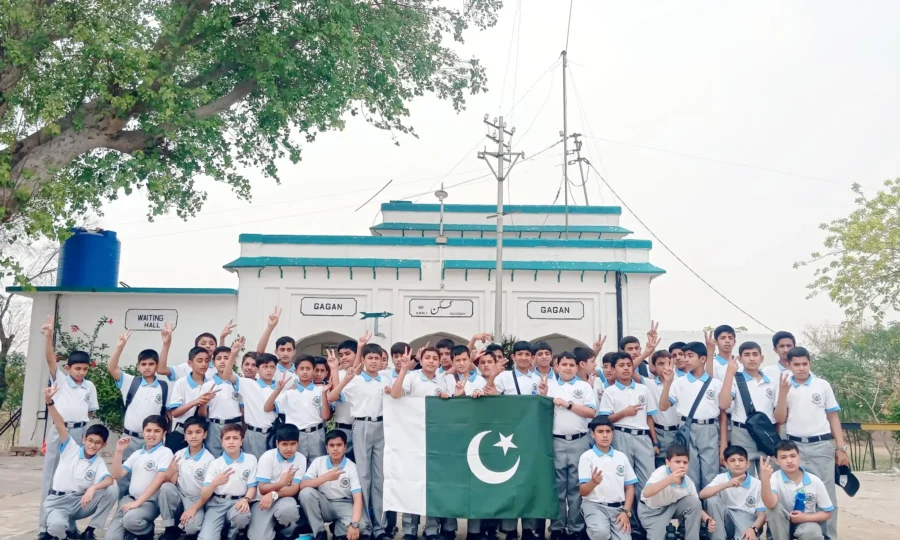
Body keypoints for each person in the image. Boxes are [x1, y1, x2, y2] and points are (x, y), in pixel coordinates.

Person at [773, 347, 846, 540]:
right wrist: (782, 393)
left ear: (810, 363)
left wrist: (840, 447)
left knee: (827, 494)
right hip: (794, 447)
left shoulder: (822, 385)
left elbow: (833, 417)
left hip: (821, 445)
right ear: (788, 365)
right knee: (793, 493)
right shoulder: (783, 385)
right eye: (796, 364)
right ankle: (798, 533)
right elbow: (779, 418)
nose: (801, 368)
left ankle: (828, 536)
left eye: (805, 364)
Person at [37, 316, 100, 534]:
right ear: (68, 367)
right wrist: (48, 337)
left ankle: (70, 524)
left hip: (80, 432)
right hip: (60, 431)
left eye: (85, 369)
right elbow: (49, 359)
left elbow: (90, 410)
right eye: (77, 369)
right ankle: (45, 527)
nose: (81, 373)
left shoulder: (89, 387)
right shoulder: (60, 381)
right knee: (52, 477)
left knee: (74, 479)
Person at [328, 332, 391, 540]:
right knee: (363, 477)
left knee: (379, 478)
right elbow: (333, 396)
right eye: (369, 357)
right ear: (362, 360)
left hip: (381, 427)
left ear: (382, 361)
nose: (373, 361)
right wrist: (341, 375)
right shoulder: (354, 380)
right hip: (361, 427)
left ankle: (380, 526)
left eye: (377, 358)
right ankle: (365, 524)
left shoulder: (386, 378)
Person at [39, 386, 117, 540]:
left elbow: (109, 479)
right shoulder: (71, 448)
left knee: (112, 490)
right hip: (58, 502)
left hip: (79, 503)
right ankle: (62, 535)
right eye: (90, 441)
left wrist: (93, 487)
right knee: (56, 527)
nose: (92, 445)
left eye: (97, 443)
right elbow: (60, 424)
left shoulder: (98, 461)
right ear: (84, 439)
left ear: (103, 445)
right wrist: (49, 402)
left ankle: (90, 530)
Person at [539, 352, 597, 540]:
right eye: (564, 364)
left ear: (576, 367)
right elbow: (540, 413)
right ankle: (557, 528)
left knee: (576, 486)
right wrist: (542, 395)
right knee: (557, 487)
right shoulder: (550, 387)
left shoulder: (584, 387)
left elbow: (591, 412)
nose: (568, 368)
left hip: (579, 440)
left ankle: (575, 528)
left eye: (572, 364)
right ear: (557, 367)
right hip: (555, 441)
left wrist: (568, 404)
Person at [108, 330, 169, 496]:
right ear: (138, 366)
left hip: (153, 441)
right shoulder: (130, 382)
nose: (147, 367)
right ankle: (122, 511)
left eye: (151, 364)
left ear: (156, 366)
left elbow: (167, 414)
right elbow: (112, 368)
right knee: (124, 479)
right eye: (143, 364)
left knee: (148, 478)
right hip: (130, 438)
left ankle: (143, 512)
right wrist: (120, 346)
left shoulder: (163, 387)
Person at [489, 340, 540, 540]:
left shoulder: (538, 379)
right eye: (520, 354)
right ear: (513, 357)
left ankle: (528, 528)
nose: (524, 358)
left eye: (528, 354)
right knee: (510, 482)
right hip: (508, 437)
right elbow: (492, 397)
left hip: (531, 437)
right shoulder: (504, 377)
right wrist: (492, 376)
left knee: (528, 483)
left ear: (532, 357)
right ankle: (510, 529)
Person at [659, 342, 725, 490]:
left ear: (702, 359)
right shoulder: (678, 383)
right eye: (684, 356)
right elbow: (663, 406)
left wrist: (723, 442)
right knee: (689, 471)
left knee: (711, 470)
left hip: (709, 428)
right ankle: (694, 507)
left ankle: (709, 507)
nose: (686, 359)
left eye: (690, 356)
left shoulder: (715, 384)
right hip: (686, 428)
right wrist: (668, 383)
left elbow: (723, 413)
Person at [598, 351, 658, 504]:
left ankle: (646, 519)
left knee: (647, 478)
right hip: (621, 434)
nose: (626, 368)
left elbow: (649, 417)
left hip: (643, 436)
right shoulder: (610, 392)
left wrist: (655, 441)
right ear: (613, 369)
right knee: (625, 479)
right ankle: (630, 522)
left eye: (629, 365)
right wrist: (624, 413)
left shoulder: (643, 389)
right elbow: (605, 419)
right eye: (621, 365)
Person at [107, 415, 174, 540]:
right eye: (148, 431)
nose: (151, 434)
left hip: (149, 502)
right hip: (129, 500)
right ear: (143, 432)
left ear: (164, 433)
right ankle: (133, 530)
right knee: (112, 538)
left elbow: (160, 479)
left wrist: (138, 502)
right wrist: (119, 452)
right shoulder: (137, 454)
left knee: (131, 520)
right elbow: (117, 475)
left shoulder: (165, 452)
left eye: (157, 431)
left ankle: (146, 530)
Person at [188, 424, 258, 540]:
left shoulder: (251, 460)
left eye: (235, 438)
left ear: (241, 441)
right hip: (217, 504)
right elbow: (204, 493)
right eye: (227, 438)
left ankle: (232, 535)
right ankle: (220, 530)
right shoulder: (215, 463)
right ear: (222, 442)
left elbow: (252, 486)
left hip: (239, 501)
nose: (231, 442)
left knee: (242, 515)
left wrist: (246, 499)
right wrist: (215, 483)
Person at [719, 342, 777, 476]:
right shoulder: (734, 379)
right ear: (739, 359)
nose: (751, 358)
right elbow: (723, 404)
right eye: (747, 355)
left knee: (769, 479)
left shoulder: (772, 383)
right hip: (742, 434)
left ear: (761, 358)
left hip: (766, 435)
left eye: (755, 354)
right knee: (743, 478)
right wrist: (729, 374)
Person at [299, 430, 368, 540]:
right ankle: (320, 532)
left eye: (339, 445)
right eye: (331, 445)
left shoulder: (351, 466)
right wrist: (325, 477)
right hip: (324, 503)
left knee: (361, 526)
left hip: (344, 503)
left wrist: (354, 524)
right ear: (326, 448)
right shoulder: (318, 462)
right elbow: (303, 485)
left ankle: (337, 528)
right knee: (305, 493)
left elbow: (357, 497)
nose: (335, 449)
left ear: (345, 447)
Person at [578, 415, 637, 540]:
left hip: (618, 508)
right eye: (600, 432)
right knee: (601, 534)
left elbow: (630, 487)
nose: (605, 435)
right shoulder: (587, 457)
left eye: (608, 431)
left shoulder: (621, 457)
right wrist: (593, 482)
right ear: (592, 434)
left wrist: (626, 512)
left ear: (612, 434)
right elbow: (583, 491)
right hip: (595, 506)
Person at [157, 416, 216, 540]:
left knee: (192, 528)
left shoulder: (210, 460)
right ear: (185, 436)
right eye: (189, 433)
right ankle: (170, 529)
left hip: (197, 499)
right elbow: (171, 482)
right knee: (166, 487)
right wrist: (169, 473)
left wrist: (193, 508)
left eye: (198, 432)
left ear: (205, 435)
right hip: (180, 495)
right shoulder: (179, 454)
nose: (193, 436)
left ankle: (188, 528)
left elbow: (208, 493)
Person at [638, 444, 714, 540]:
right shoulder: (660, 473)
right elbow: (646, 493)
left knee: (693, 502)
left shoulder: (688, 481)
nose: (682, 465)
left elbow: (696, 506)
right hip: (652, 512)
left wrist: (707, 519)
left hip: (671, 508)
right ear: (668, 462)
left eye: (685, 462)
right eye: (677, 462)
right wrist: (669, 480)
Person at [761, 441, 834, 540]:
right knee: (773, 509)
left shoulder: (814, 481)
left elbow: (828, 512)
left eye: (793, 456)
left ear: (799, 457)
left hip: (806, 523)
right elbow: (770, 504)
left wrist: (804, 518)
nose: (789, 461)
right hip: (781, 526)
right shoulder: (774, 478)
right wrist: (765, 480)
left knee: (812, 532)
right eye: (784, 457)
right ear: (777, 461)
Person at [265, 354, 333, 461]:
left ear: (313, 370)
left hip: (317, 434)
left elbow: (325, 416)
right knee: (297, 467)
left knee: (318, 466)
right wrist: (278, 390)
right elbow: (267, 407)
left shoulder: (320, 390)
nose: (305, 372)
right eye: (301, 369)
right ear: (296, 371)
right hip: (296, 436)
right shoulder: (289, 393)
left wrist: (324, 393)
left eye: (308, 368)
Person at [248, 424, 307, 540]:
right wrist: (282, 483)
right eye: (284, 444)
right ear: (277, 444)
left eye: (293, 444)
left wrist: (274, 494)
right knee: (259, 538)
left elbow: (294, 488)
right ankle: (269, 530)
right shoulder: (268, 457)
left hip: (283, 499)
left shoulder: (301, 459)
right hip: (262, 501)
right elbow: (262, 489)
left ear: (297, 444)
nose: (289, 449)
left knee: (289, 509)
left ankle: (286, 533)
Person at [699, 445, 765, 540]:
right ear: (726, 464)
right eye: (732, 460)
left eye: (741, 460)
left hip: (746, 518)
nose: (737, 464)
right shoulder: (721, 478)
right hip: (726, 516)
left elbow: (761, 515)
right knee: (712, 500)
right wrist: (727, 484)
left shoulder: (757, 484)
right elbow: (702, 494)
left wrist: (753, 528)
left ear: (747, 464)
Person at [166, 346, 217, 451]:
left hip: (201, 433)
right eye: (199, 361)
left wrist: (203, 403)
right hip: (182, 432)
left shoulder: (210, 384)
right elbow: (175, 413)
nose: (204, 364)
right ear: (190, 363)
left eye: (207, 361)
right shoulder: (181, 383)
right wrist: (195, 402)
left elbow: (203, 415)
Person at [205, 338, 244, 457]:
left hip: (235, 425)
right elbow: (203, 413)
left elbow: (243, 409)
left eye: (226, 358)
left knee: (234, 457)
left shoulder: (239, 383)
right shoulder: (207, 385)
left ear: (233, 361)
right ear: (213, 362)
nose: (222, 362)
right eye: (219, 358)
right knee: (214, 458)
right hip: (214, 426)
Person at [240, 353, 280, 458]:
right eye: (265, 367)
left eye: (272, 367)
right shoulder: (249, 385)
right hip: (253, 433)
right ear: (257, 369)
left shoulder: (280, 388)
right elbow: (227, 375)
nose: (269, 370)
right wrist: (234, 353)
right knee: (252, 465)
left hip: (273, 433)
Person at [644, 351, 679, 466]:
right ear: (653, 367)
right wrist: (648, 351)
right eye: (660, 364)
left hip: (680, 431)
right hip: (659, 432)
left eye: (668, 363)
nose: (665, 367)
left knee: (680, 464)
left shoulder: (680, 382)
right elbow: (631, 371)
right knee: (661, 466)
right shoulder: (649, 384)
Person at [332, 339, 359, 458]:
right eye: (341, 355)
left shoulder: (364, 375)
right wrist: (334, 370)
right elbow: (336, 395)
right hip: (342, 427)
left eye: (348, 354)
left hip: (360, 427)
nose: (343, 357)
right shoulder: (337, 374)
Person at [256, 306, 297, 376]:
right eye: (282, 350)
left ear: (294, 352)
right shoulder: (271, 370)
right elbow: (260, 352)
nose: (285, 353)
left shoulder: (299, 372)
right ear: (276, 352)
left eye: (289, 350)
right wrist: (270, 327)